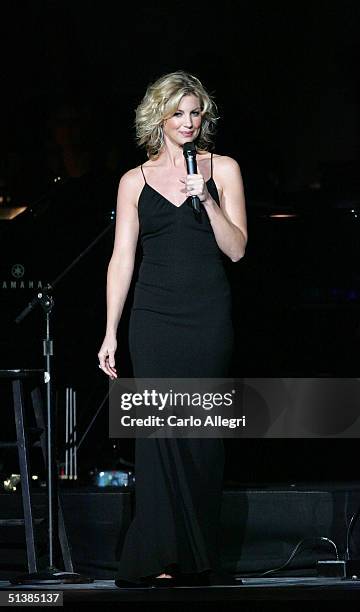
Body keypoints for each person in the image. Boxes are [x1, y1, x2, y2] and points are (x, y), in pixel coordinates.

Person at [98, 71, 247, 587]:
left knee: (202, 433)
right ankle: (161, 556)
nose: (188, 122)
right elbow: (121, 259)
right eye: (178, 113)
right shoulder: (133, 181)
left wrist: (205, 197)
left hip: (207, 319)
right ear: (158, 118)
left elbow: (237, 249)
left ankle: (198, 554)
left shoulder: (222, 169)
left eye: (195, 113)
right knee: (159, 435)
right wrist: (111, 331)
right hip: (154, 321)